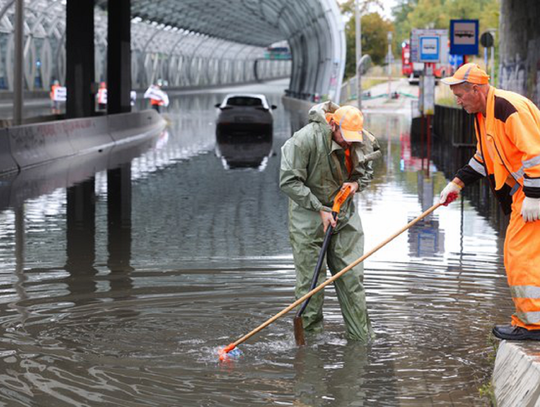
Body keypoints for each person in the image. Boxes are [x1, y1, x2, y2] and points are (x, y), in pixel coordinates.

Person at [438, 63, 540, 341]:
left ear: (476, 89)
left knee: (520, 255)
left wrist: (534, 195)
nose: (457, 101)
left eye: (460, 95)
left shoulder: (507, 108)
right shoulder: (483, 114)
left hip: (533, 191)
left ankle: (533, 326)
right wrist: (456, 183)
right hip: (525, 191)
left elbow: (535, 153)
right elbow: (485, 157)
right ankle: (530, 320)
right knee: (518, 254)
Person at [279, 102, 381, 341]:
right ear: (332, 124)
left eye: (353, 140)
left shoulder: (360, 140)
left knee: (352, 279)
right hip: (308, 217)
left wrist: (356, 184)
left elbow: (366, 171)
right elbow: (288, 181)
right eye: (344, 138)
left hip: (344, 215)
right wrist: (319, 208)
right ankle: (310, 347)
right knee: (311, 287)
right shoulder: (304, 140)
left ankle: (362, 341)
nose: (348, 143)